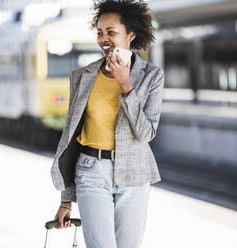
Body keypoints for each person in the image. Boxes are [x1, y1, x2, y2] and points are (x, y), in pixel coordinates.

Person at [50, 0, 164, 247]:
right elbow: (71, 138)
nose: (104, 38)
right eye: (100, 32)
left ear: (131, 35)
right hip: (91, 172)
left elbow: (146, 133)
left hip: (135, 176)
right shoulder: (82, 77)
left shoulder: (152, 76)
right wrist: (66, 199)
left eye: (111, 32)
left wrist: (126, 86)